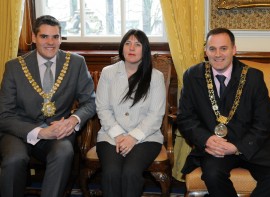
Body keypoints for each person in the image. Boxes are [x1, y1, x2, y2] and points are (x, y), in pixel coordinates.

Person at [177, 27, 270, 197]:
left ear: (234, 50)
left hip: (250, 145)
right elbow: (185, 118)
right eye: (212, 49)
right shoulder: (192, 76)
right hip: (215, 147)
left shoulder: (253, 77)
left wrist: (237, 147)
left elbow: (264, 121)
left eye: (224, 48)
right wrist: (206, 139)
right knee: (212, 175)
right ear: (206, 51)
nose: (218, 54)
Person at [0, 15, 96, 197]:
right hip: (19, 131)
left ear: (61, 39)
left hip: (58, 131)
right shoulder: (14, 67)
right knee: (14, 159)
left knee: (64, 153)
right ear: (34, 38)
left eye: (55, 37)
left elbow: (90, 101)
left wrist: (73, 120)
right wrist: (40, 132)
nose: (50, 42)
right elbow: (4, 115)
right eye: (44, 36)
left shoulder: (76, 63)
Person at [95, 29, 166, 197]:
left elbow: (156, 115)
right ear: (122, 48)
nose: (131, 48)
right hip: (110, 136)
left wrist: (133, 137)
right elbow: (102, 108)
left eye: (137, 44)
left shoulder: (155, 77)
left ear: (145, 49)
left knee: (131, 173)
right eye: (128, 43)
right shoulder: (108, 73)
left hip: (147, 137)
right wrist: (119, 135)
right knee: (111, 173)